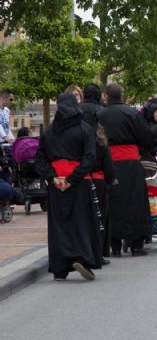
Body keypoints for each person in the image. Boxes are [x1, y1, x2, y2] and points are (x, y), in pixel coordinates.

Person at [35, 93, 100, 281]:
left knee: (59, 226)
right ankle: (83, 258)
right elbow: (90, 158)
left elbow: (40, 158)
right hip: (78, 183)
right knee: (81, 222)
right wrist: (72, 179)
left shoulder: (48, 131)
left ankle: (60, 268)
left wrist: (54, 178)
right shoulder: (84, 129)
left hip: (56, 185)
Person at [98, 83, 155, 257]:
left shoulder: (99, 114)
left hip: (109, 162)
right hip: (131, 163)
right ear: (121, 95)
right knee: (135, 202)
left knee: (113, 203)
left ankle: (114, 245)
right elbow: (147, 137)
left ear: (107, 96)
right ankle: (137, 244)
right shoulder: (132, 113)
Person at [80, 83, 116, 264]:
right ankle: (99, 252)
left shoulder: (74, 115)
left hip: (77, 177)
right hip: (99, 176)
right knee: (100, 215)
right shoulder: (101, 117)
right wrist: (111, 177)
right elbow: (106, 155)